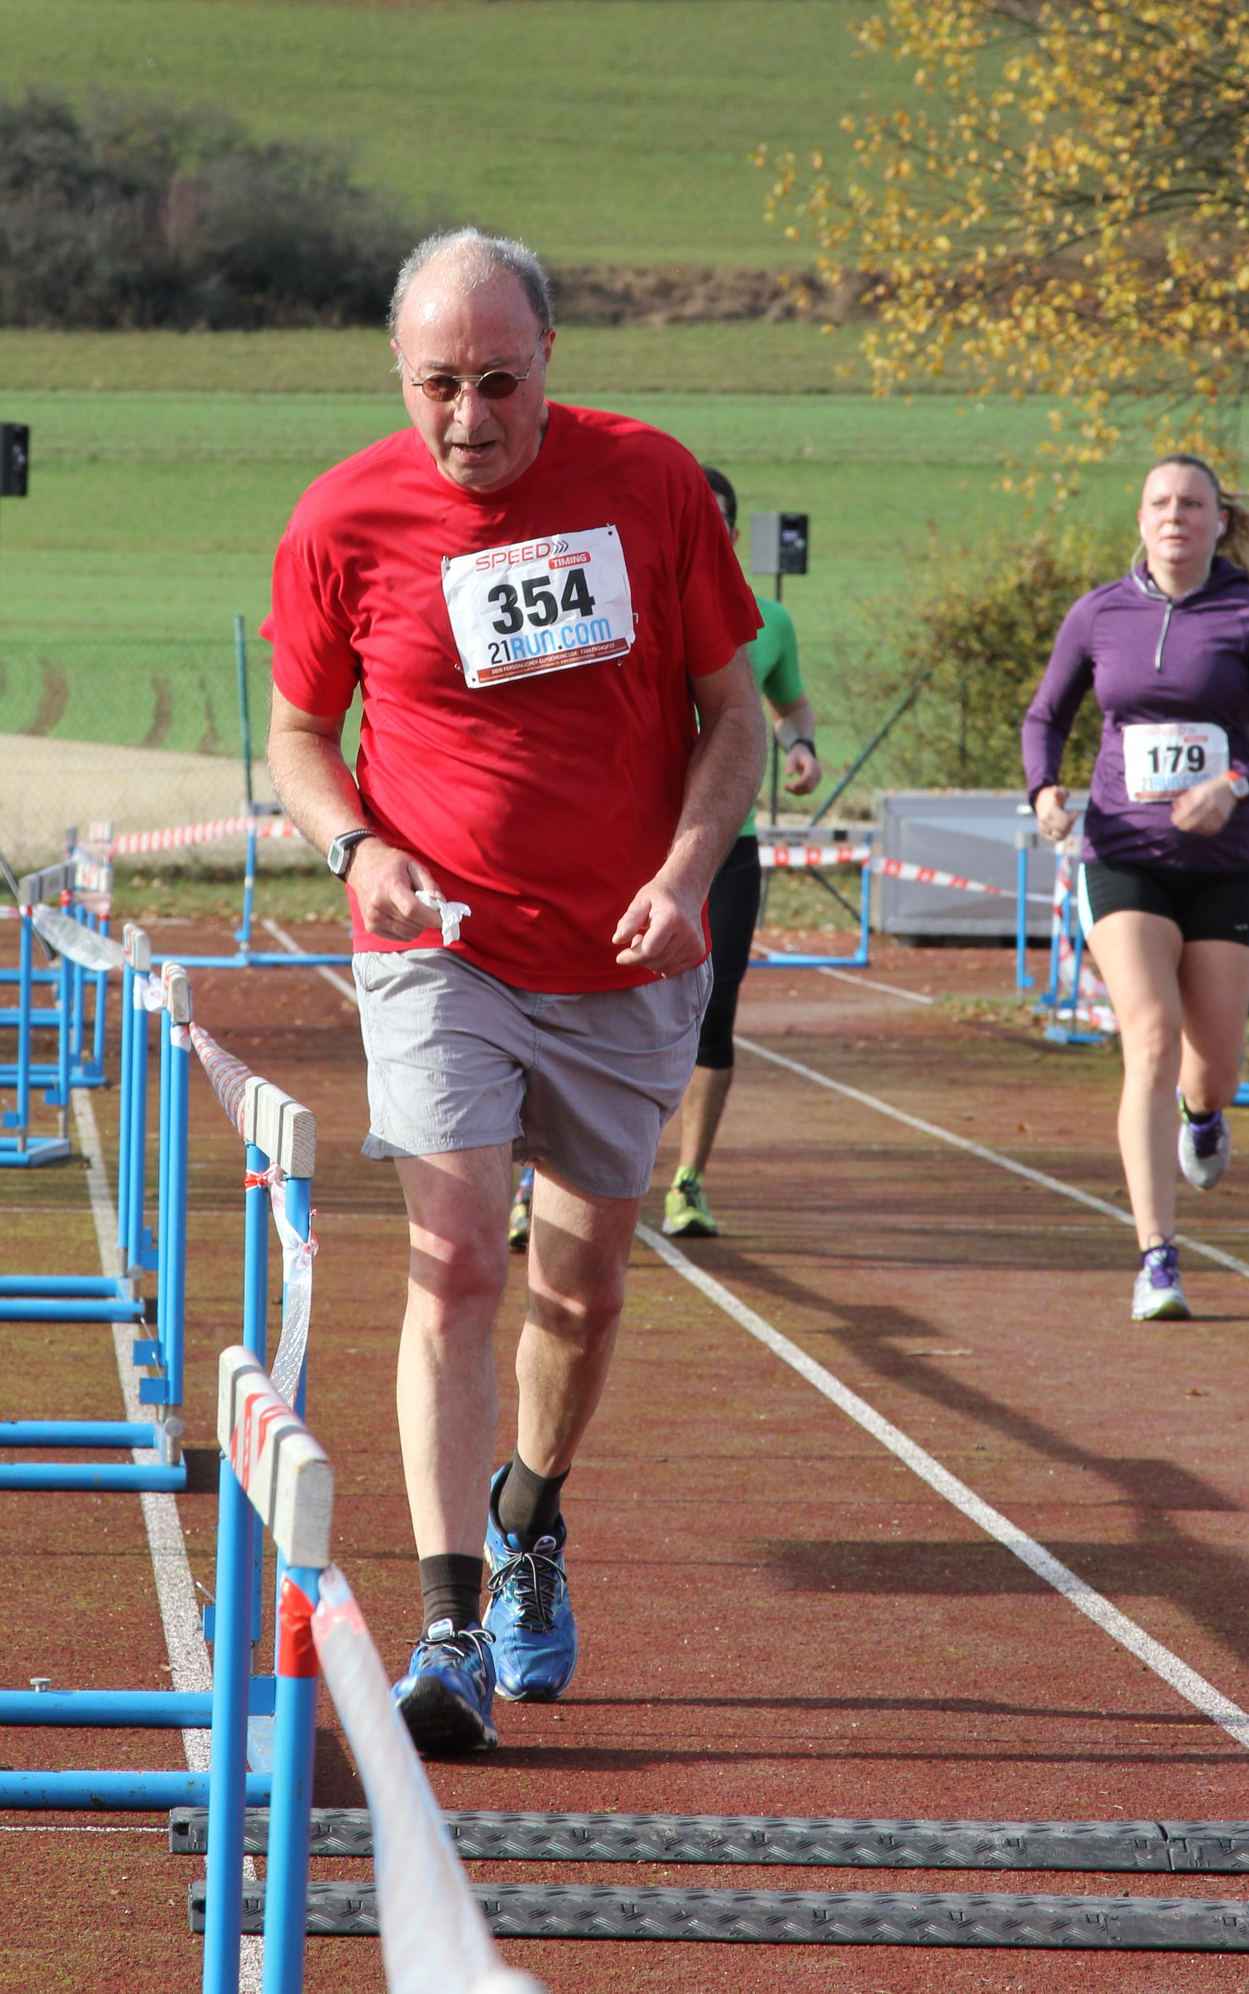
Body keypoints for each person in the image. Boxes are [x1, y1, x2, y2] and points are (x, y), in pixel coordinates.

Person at [263, 228, 766, 1755]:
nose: (469, 417)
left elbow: (733, 714)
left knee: (584, 1290)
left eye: (497, 380)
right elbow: (297, 734)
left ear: (550, 358)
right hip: (441, 944)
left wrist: (686, 873)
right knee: (458, 1258)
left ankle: (529, 1514)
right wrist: (356, 848)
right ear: (396, 372)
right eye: (438, 385)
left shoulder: (650, 484)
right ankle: (450, 1630)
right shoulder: (342, 517)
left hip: (622, 949)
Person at [1022, 455, 1249, 1322]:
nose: (1175, 516)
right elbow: (1046, 715)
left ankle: (1203, 1116)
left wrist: (1235, 784)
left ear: (1218, 522)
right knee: (1150, 1036)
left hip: (1224, 865)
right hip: (1122, 853)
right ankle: (1157, 1256)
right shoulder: (1099, 613)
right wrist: (1044, 789)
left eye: (1192, 504)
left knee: (1213, 1070)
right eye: (1160, 502)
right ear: (1141, 518)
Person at [659, 464, 822, 1239]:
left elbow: (791, 703)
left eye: (720, 521)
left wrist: (802, 747)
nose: (709, 533)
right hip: (627, 842)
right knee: (577, 1007)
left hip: (726, 843)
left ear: (729, 531)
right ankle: (536, 1180)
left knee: (712, 1013)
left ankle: (688, 1180)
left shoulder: (769, 620)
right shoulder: (627, 605)